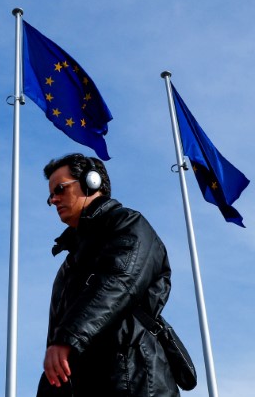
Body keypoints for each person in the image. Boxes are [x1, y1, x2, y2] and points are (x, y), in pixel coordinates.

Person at [37, 153, 179, 397]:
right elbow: (58, 349)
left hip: (131, 379)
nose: (53, 200)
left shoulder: (128, 224)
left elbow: (118, 281)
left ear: (91, 182)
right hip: (88, 382)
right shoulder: (70, 261)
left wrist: (65, 339)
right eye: (50, 195)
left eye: (60, 189)